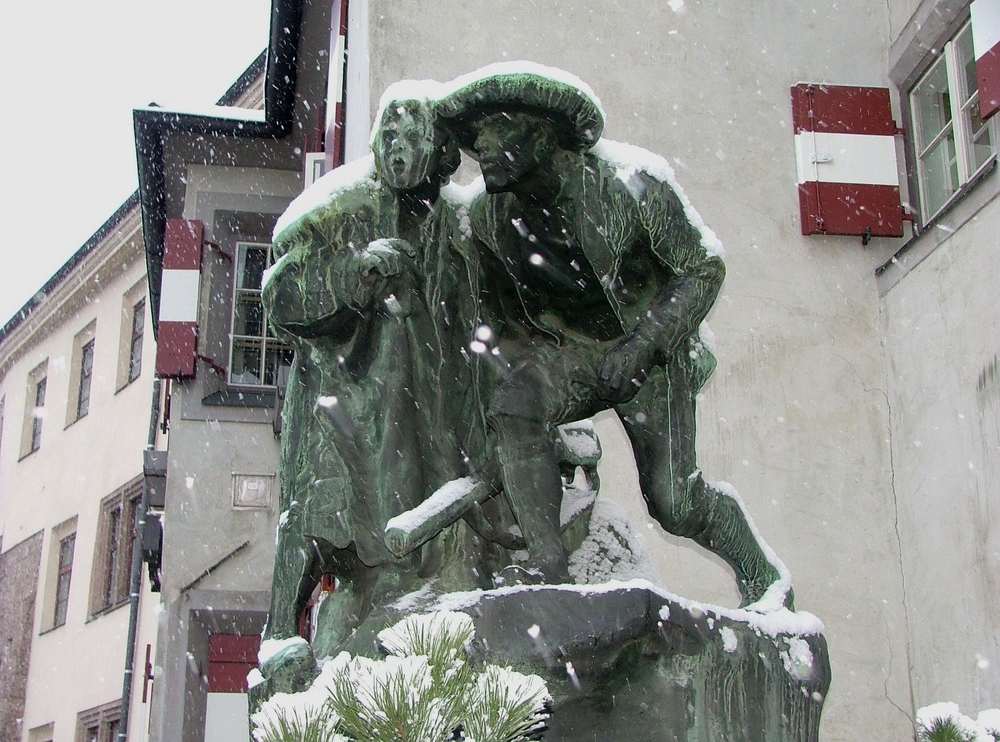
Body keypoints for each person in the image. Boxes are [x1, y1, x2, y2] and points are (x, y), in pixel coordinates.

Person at [438, 67, 789, 607]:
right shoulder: (488, 216)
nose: (482, 144)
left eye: (499, 127)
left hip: (650, 352)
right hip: (571, 353)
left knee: (675, 504)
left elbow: (702, 268)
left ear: (543, 133)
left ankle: (763, 576)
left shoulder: (630, 185)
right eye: (477, 134)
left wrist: (643, 345)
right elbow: (499, 319)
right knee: (516, 404)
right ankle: (550, 567)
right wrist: (510, 394)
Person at [259, 88, 489, 671]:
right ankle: (283, 635)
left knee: (419, 539)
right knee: (321, 527)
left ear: (441, 153)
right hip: (342, 405)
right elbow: (281, 292)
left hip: (427, 410)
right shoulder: (340, 206)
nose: (399, 151)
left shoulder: (460, 224)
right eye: (389, 137)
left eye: (414, 140)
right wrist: (353, 273)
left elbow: (497, 315)